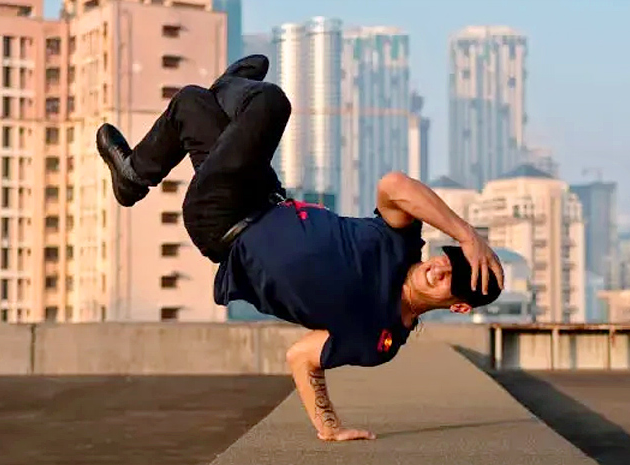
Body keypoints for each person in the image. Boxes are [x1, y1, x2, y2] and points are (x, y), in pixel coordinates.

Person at [96, 55, 504, 442]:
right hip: (263, 193)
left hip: (224, 222)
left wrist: (328, 427)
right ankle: (133, 176)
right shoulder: (401, 244)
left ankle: (230, 89)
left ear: (459, 306)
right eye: (448, 258)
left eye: (454, 278)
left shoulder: (379, 337)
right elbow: (394, 185)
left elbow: (302, 356)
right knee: (190, 103)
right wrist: (467, 234)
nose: (439, 268)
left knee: (269, 102)